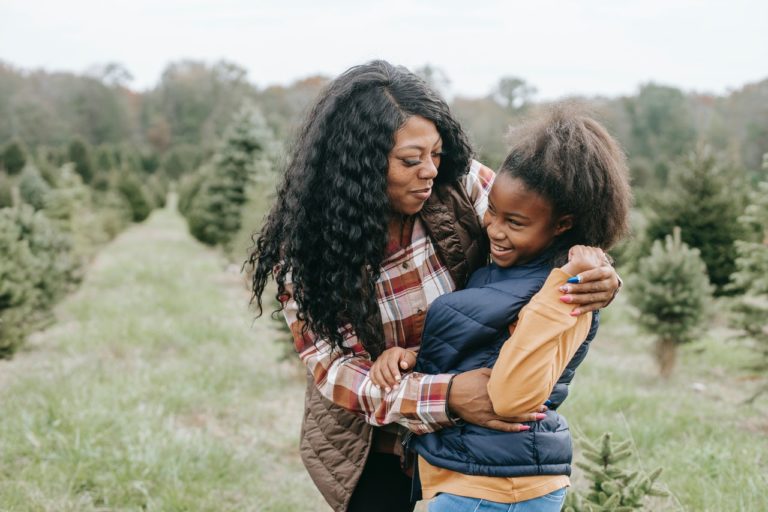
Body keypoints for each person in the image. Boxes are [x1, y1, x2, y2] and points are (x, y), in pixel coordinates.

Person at [246, 61, 621, 512]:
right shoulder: (306, 254)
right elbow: (335, 371)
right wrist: (451, 395)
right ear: (359, 166)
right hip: (377, 440)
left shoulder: (462, 186)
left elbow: (550, 228)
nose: (429, 171)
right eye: (410, 160)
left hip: (473, 445)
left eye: (436, 154)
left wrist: (598, 271)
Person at [368, 106, 632, 511]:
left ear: (562, 225)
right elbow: (484, 347)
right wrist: (411, 359)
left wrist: (557, 292)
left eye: (514, 222)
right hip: (469, 476)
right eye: (491, 210)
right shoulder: (501, 270)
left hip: (499, 486)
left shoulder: (567, 292)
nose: (493, 228)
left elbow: (511, 396)